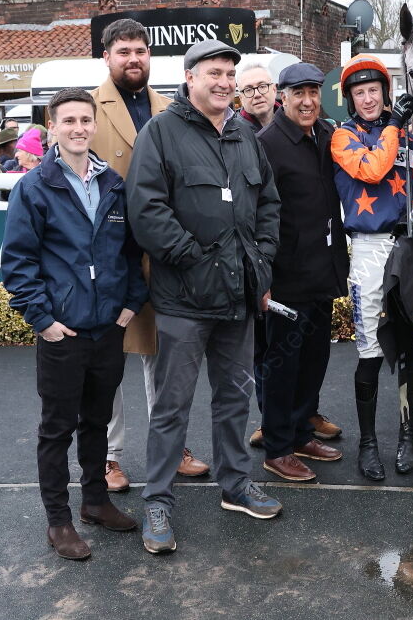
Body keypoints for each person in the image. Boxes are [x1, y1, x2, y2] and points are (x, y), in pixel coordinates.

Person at [127, 39, 282, 554]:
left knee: (235, 396)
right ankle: (158, 500)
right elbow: (146, 211)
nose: (224, 82)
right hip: (184, 300)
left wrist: (259, 261)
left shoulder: (244, 135)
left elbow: (268, 206)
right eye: (214, 72)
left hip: (238, 296)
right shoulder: (161, 134)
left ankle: (235, 484)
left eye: (229, 74)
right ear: (190, 77)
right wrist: (196, 259)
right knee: (171, 406)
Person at [1, 87, 148, 560]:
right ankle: (59, 521)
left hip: (107, 327)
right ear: (52, 126)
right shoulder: (34, 186)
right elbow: (18, 261)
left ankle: (96, 502)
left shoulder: (113, 185)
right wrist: (43, 320)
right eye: (69, 121)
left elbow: (131, 253)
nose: (80, 128)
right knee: (56, 427)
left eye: (86, 119)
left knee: (97, 422)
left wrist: (130, 304)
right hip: (62, 332)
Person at [89, 17, 209, 492]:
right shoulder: (86, 109)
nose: (133, 58)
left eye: (140, 50)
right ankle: (108, 457)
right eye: (123, 51)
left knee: (163, 358)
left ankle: (171, 445)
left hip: (161, 253)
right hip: (109, 255)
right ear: (107, 57)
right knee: (108, 362)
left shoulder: (170, 108)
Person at [331, 54, 413, 481]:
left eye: (374, 91)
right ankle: (367, 443)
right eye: (360, 92)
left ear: (385, 92)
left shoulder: (409, 137)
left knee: (409, 347)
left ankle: (407, 437)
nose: (368, 99)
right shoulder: (342, 136)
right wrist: (394, 128)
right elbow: (372, 170)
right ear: (351, 98)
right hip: (370, 251)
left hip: (409, 247)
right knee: (370, 350)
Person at [256, 63, 349, 482]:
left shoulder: (328, 135)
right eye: (299, 93)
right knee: (281, 365)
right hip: (286, 278)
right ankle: (276, 447)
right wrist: (262, 278)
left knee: (314, 359)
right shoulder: (267, 144)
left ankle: (298, 432)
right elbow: (255, 214)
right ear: (283, 96)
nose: (308, 101)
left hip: (322, 272)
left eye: (313, 92)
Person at [236, 59, 280, 132]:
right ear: (241, 98)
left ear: (274, 90)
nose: (257, 94)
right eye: (248, 90)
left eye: (262, 86)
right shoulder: (233, 134)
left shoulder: (294, 122)